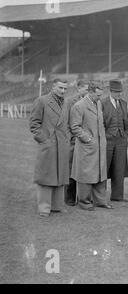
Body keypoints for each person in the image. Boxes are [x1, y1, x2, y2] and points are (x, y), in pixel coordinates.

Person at [29, 79, 70, 217]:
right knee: (46, 176)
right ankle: (44, 208)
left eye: (65, 88)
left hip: (62, 146)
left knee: (60, 175)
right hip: (49, 145)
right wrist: (44, 140)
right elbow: (34, 124)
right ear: (53, 87)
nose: (63, 91)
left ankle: (57, 206)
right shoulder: (41, 101)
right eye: (60, 88)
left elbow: (67, 124)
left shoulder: (66, 102)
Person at [70, 82, 113, 211]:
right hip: (86, 147)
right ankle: (84, 202)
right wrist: (87, 138)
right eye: (98, 95)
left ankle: (100, 201)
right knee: (86, 174)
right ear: (90, 92)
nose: (100, 97)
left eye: (101, 95)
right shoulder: (79, 106)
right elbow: (75, 127)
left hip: (99, 147)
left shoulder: (98, 103)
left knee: (100, 174)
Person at [101, 79, 128, 202]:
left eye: (120, 91)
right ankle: (100, 196)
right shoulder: (102, 103)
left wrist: (125, 134)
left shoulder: (123, 103)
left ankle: (117, 196)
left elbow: (126, 122)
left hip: (121, 140)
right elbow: (100, 122)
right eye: (116, 91)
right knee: (104, 168)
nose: (118, 94)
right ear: (110, 91)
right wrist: (104, 136)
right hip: (107, 140)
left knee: (119, 168)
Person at [64, 79, 89, 206]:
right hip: (73, 141)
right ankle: (69, 198)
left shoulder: (90, 101)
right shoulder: (69, 102)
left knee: (83, 171)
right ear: (78, 89)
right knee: (70, 170)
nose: (87, 92)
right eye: (85, 89)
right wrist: (70, 139)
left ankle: (83, 198)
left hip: (85, 141)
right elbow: (66, 123)